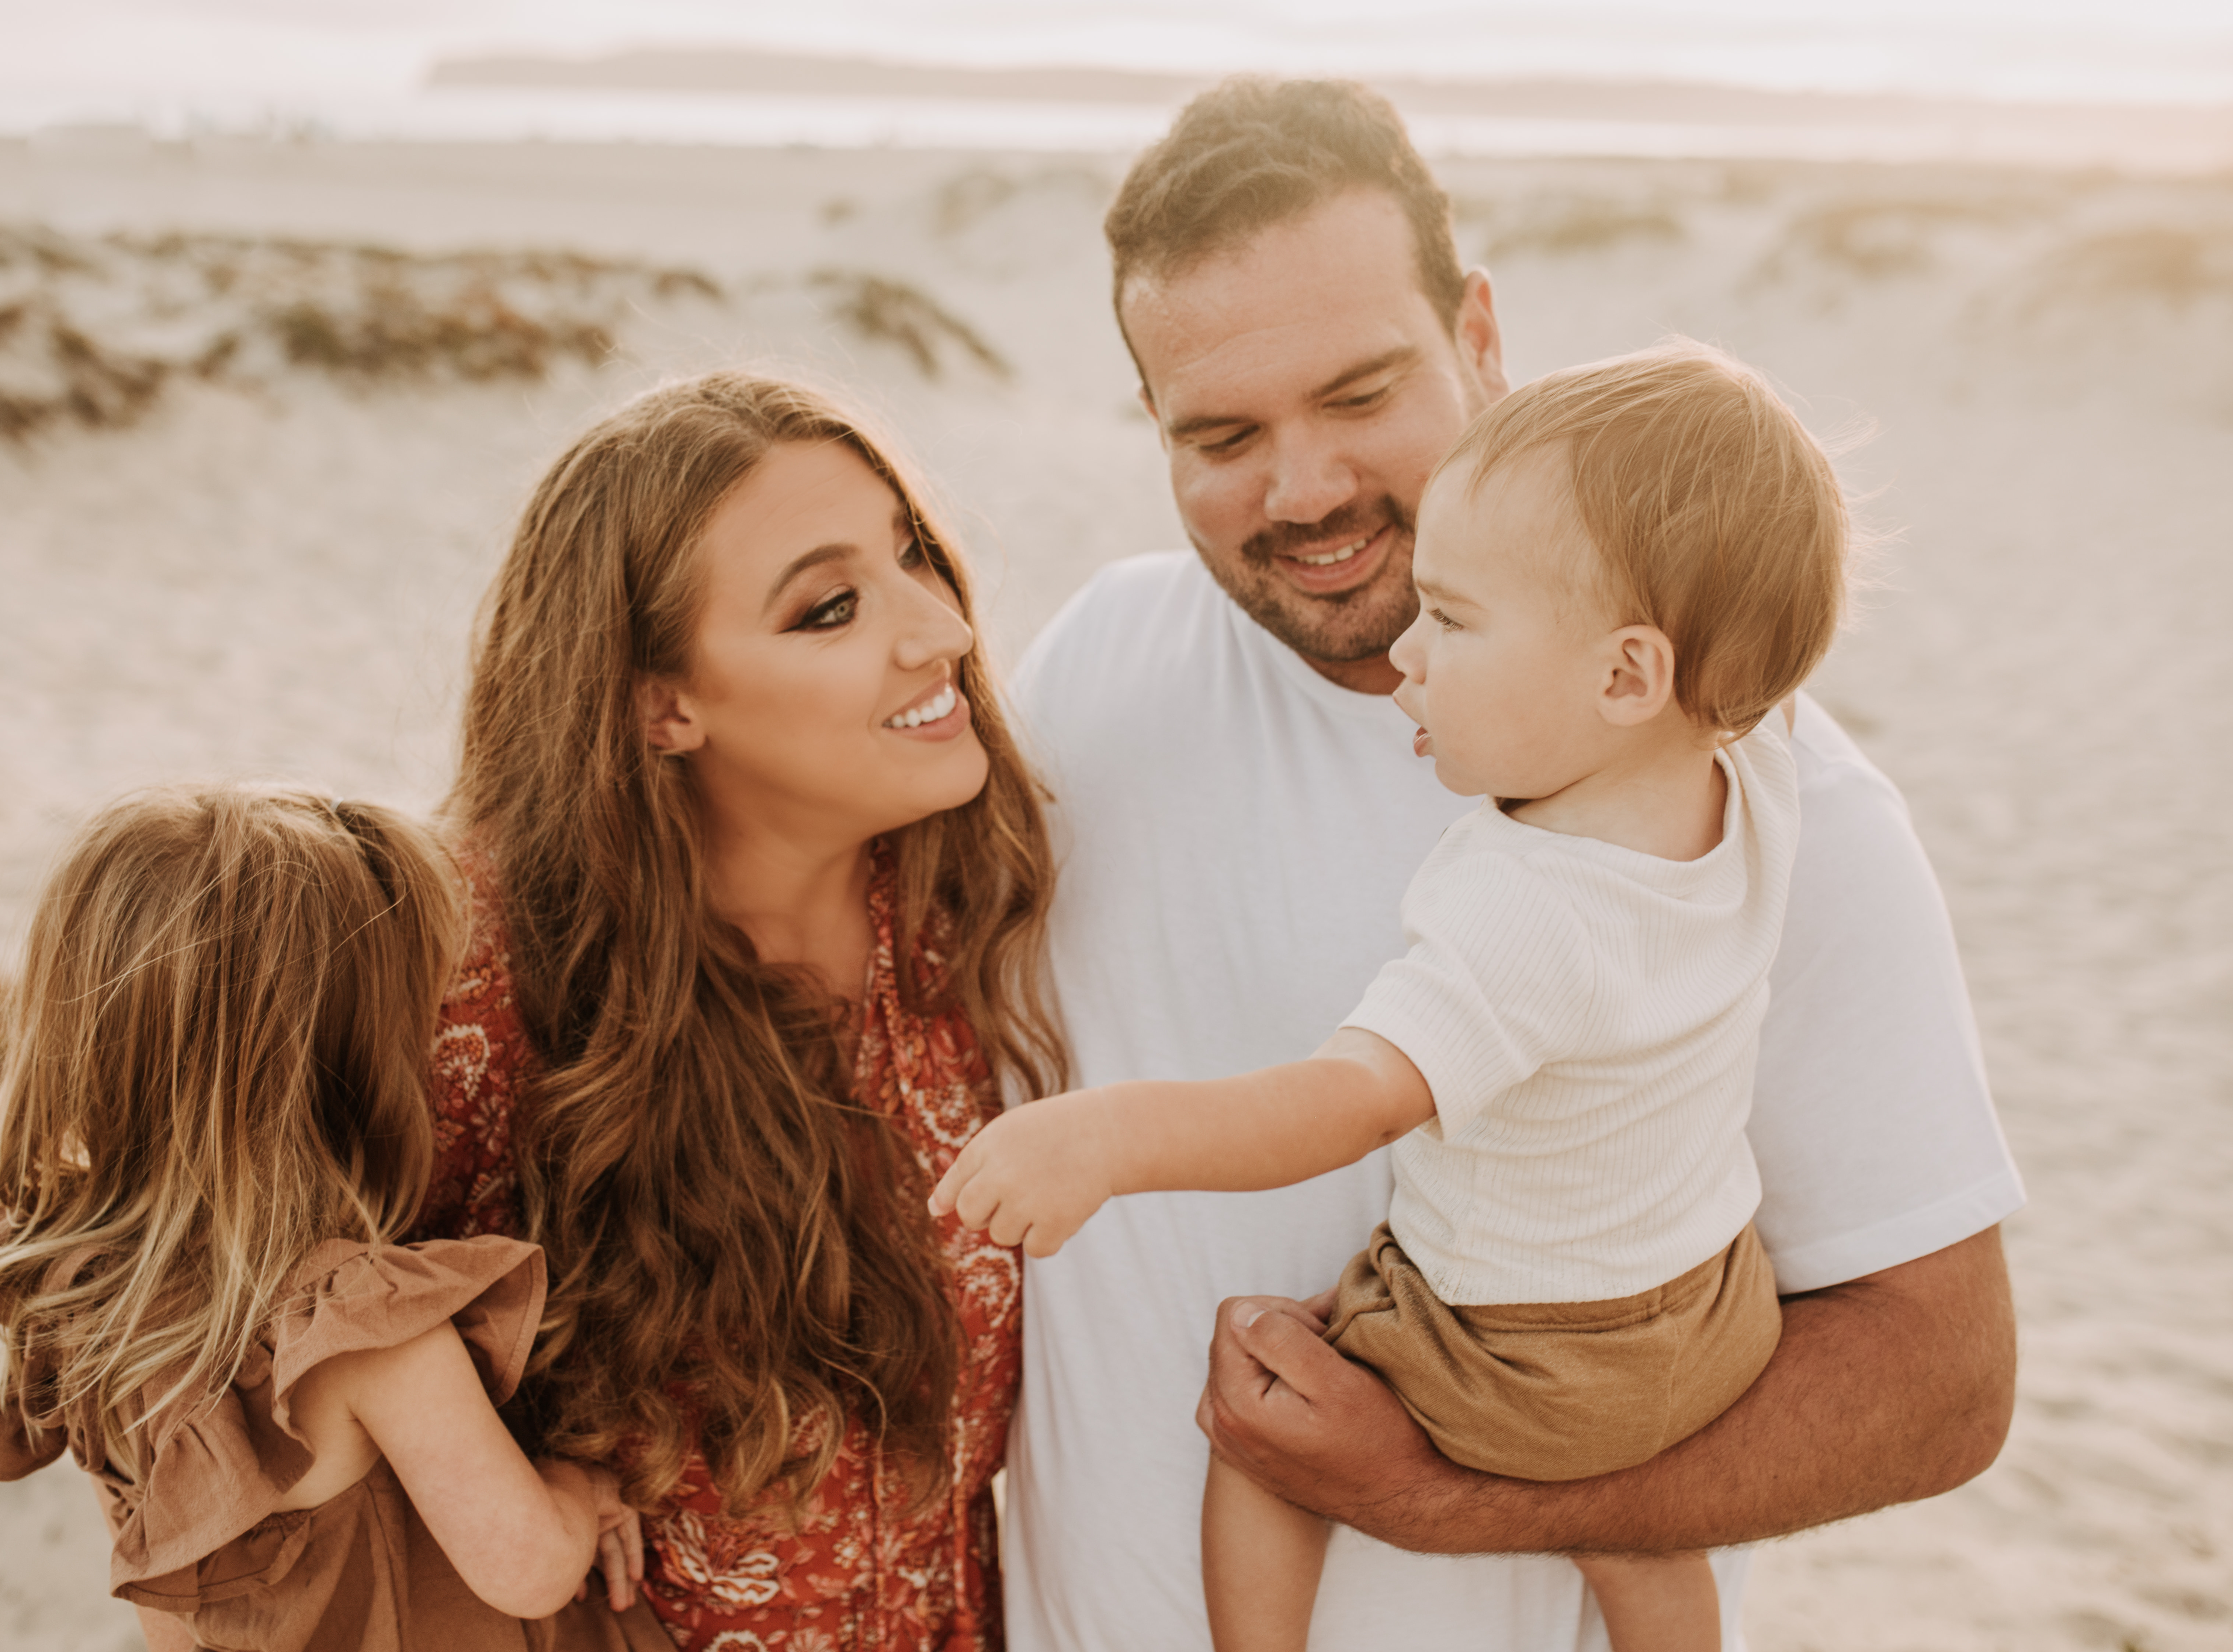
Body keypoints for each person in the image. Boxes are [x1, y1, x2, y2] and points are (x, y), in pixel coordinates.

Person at [1003, 79, 2025, 1651]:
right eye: (1221, 432)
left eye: (1360, 393)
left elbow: (1943, 1385)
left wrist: (1453, 1499)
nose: (1305, 490)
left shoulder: (1761, 798)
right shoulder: (1099, 665)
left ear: (1479, 331)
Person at [942, 341, 1851, 1651]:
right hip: (1703, 1319)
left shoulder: (1528, 913)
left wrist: (1104, 1138)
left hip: (1527, 1351)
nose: (1408, 658)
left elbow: (1343, 1102)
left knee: (1259, 1407)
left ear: (1625, 678)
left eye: (1460, 622)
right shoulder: (1745, 782)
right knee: (1642, 1541)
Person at [413, 372, 1066, 1651]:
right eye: (830, 609)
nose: (939, 629)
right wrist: (503, 1490)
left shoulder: (971, 916)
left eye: (913, 554)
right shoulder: (482, 981)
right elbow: (221, 1305)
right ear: (662, 705)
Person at [0, 782, 654, 1652]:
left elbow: (140, 1590)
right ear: (359, 1070)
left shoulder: (73, 1292)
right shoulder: (362, 1330)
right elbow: (531, 1566)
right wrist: (578, 1486)